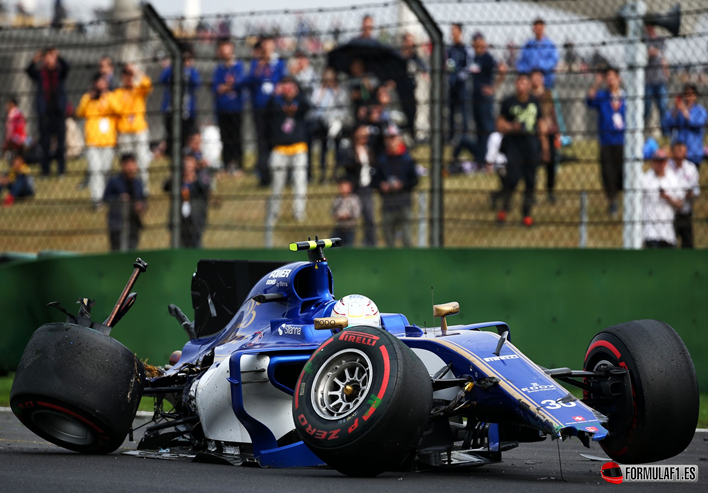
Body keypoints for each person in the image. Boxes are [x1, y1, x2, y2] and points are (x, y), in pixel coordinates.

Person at [495, 73, 548, 226]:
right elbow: (499, 124)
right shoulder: (508, 102)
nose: (522, 86)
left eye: (525, 83)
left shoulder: (534, 103)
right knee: (512, 178)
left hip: (531, 144)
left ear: (529, 85)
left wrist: (545, 148)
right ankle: (504, 210)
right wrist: (513, 127)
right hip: (514, 144)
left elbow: (541, 125)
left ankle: (526, 214)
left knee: (530, 181)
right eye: (519, 82)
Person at [265, 76, 311, 225]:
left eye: (291, 86)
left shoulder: (300, 103)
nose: (288, 89)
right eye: (285, 85)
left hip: (298, 147)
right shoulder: (276, 103)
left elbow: (308, 106)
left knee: (300, 181)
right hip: (280, 148)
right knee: (277, 183)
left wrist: (299, 93)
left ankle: (299, 211)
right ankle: (274, 212)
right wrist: (274, 94)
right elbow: (265, 112)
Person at [247, 35, 288, 186]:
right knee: (261, 141)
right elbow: (252, 79)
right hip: (259, 107)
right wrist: (260, 64)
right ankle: (263, 174)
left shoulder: (279, 63)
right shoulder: (256, 63)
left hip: (275, 107)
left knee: (275, 140)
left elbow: (284, 80)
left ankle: (278, 174)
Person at [75, 73, 120, 207]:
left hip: (108, 140)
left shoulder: (112, 96)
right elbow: (80, 112)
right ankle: (97, 198)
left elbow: (118, 109)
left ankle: (105, 194)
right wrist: (89, 97)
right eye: (99, 82)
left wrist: (106, 95)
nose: (102, 84)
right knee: (95, 170)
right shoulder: (88, 98)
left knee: (105, 169)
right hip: (92, 141)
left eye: (104, 82)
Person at [586, 67, 626, 217]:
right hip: (606, 141)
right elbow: (589, 99)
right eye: (607, 77)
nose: (610, 80)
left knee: (623, 172)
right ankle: (612, 201)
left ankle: (624, 197)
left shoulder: (626, 97)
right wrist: (596, 83)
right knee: (608, 173)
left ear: (618, 78)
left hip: (623, 141)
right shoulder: (602, 96)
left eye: (612, 77)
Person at [25, 46, 70, 177]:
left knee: (61, 142)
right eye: (47, 56)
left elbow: (67, 66)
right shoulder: (40, 74)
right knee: (45, 142)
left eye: (51, 56)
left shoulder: (60, 72)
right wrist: (36, 58)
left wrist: (59, 56)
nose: (49, 59)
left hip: (59, 112)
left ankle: (61, 170)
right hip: (44, 113)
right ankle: (45, 170)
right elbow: (28, 71)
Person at [375, 124, 418, 247]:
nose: (391, 141)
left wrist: (403, 185)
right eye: (388, 138)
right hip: (387, 204)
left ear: (399, 138)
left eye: (393, 137)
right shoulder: (382, 160)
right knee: (388, 239)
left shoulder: (407, 158)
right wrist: (382, 185)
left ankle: (409, 263)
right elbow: (375, 180)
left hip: (404, 202)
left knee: (407, 239)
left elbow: (415, 180)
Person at [114, 63, 153, 190]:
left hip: (139, 129)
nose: (128, 79)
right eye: (126, 76)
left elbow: (147, 84)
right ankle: (127, 186)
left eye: (130, 76)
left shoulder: (138, 90)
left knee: (142, 159)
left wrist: (137, 71)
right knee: (126, 160)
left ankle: (143, 186)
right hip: (125, 131)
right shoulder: (118, 93)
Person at [337, 125, 378, 246]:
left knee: (369, 217)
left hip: (367, 187)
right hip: (355, 187)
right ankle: (346, 243)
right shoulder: (349, 150)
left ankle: (370, 243)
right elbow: (346, 167)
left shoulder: (370, 149)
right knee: (349, 218)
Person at [470, 31, 506, 161]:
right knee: (479, 127)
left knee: (487, 127)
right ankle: (480, 156)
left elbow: (502, 69)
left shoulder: (487, 57)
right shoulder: (474, 57)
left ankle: (490, 155)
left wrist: (493, 88)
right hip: (475, 98)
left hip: (485, 99)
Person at [309, 67, 350, 183]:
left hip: (337, 122)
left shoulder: (340, 90)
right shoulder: (319, 90)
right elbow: (314, 104)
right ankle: (322, 174)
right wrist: (322, 92)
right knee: (323, 149)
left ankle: (336, 173)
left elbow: (344, 105)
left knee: (337, 149)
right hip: (322, 123)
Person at [212, 38, 245, 174]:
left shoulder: (238, 66)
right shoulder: (219, 69)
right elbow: (215, 87)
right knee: (224, 137)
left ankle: (238, 164)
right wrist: (229, 87)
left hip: (236, 108)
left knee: (237, 136)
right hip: (222, 108)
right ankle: (227, 163)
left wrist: (224, 87)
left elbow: (239, 84)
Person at [164, 153, 210, 248]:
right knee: (177, 245)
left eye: (190, 162)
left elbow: (206, 187)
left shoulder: (201, 179)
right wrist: (176, 172)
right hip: (178, 221)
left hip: (196, 221)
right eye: (184, 162)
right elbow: (165, 186)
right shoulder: (177, 180)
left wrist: (196, 174)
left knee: (195, 246)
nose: (186, 165)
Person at [103, 153, 146, 251]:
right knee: (117, 249)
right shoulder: (114, 181)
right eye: (127, 164)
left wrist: (141, 205)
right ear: (122, 165)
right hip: (117, 222)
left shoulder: (138, 183)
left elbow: (143, 199)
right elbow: (106, 198)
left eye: (132, 164)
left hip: (134, 222)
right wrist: (119, 199)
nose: (130, 167)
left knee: (132, 248)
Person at [160, 49, 201, 151]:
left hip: (187, 112)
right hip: (171, 110)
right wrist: (174, 65)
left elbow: (197, 83)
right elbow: (162, 79)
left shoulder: (191, 71)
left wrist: (188, 68)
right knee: (171, 136)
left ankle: (184, 157)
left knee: (186, 136)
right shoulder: (171, 69)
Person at [641, 149, 683, 249]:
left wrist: (668, 198)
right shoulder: (645, 179)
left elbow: (680, 204)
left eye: (662, 161)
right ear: (653, 162)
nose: (660, 164)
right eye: (657, 161)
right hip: (650, 231)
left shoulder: (673, 179)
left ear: (666, 162)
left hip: (668, 232)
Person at [530, 68, 559, 203]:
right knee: (533, 164)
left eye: (538, 77)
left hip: (549, 133)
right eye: (533, 77)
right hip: (534, 133)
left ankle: (550, 191)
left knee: (551, 163)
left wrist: (555, 129)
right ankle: (532, 192)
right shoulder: (529, 96)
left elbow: (553, 112)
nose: (536, 79)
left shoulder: (548, 94)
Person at [662, 84, 707, 167]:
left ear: (695, 96)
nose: (688, 98)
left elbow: (698, 124)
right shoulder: (676, 110)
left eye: (690, 95)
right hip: (679, 153)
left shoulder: (700, 111)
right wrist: (675, 110)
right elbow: (667, 123)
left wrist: (685, 112)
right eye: (686, 95)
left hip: (694, 152)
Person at [668, 141, 700, 249]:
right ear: (672, 152)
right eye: (676, 151)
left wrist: (690, 194)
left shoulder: (691, 168)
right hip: (671, 213)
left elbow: (696, 190)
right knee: (670, 244)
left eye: (682, 152)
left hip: (686, 212)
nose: (679, 155)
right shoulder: (667, 167)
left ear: (686, 153)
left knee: (688, 244)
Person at [399, 32, 429, 135]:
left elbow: (424, 68)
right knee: (402, 114)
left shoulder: (415, 57)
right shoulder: (399, 57)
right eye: (408, 41)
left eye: (412, 41)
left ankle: (413, 134)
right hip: (401, 91)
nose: (410, 44)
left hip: (413, 90)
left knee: (414, 113)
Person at [515, 18, 559, 89]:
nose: (538, 30)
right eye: (536, 28)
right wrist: (529, 70)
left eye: (540, 28)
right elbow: (520, 61)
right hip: (529, 79)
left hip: (546, 80)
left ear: (544, 28)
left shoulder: (550, 45)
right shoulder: (528, 44)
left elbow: (553, 61)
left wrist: (540, 67)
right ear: (533, 29)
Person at [644, 25, 670, 133]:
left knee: (663, 107)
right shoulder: (643, 39)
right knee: (646, 108)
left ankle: (665, 132)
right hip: (648, 80)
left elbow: (663, 58)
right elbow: (646, 54)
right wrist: (654, 52)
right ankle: (641, 131)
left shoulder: (660, 39)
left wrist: (666, 72)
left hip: (660, 79)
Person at [446, 23, 469, 141]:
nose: (452, 33)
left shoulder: (464, 49)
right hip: (451, 83)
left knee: (464, 110)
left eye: (454, 30)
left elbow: (468, 66)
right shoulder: (450, 49)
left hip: (462, 84)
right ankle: (451, 136)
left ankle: (465, 136)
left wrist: (461, 75)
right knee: (451, 111)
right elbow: (447, 63)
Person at [331, 179, 362, 247]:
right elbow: (332, 211)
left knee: (349, 245)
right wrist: (338, 215)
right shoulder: (337, 199)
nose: (342, 189)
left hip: (350, 227)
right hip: (339, 227)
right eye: (341, 186)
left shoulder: (354, 199)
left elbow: (357, 213)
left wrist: (348, 216)